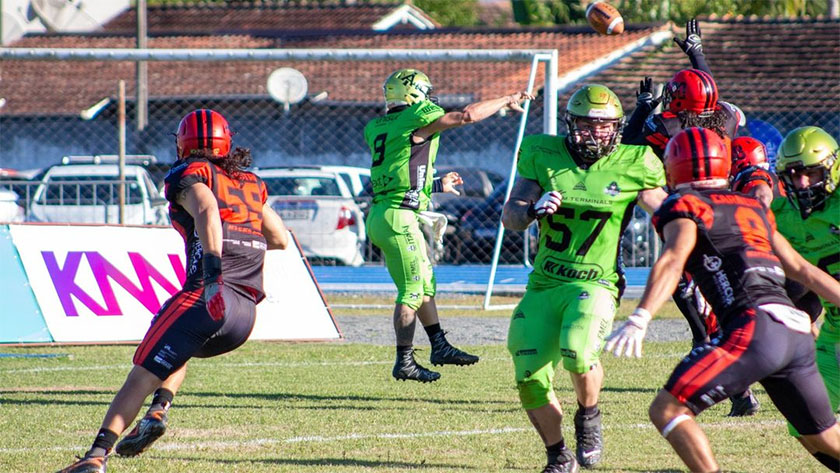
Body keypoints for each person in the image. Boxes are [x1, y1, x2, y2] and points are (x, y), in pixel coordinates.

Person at [56, 109, 290, 473]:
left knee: (142, 371)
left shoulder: (189, 174)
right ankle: (158, 409)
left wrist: (213, 272)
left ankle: (95, 456)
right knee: (180, 346)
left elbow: (208, 209)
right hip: (245, 314)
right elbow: (279, 238)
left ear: (182, 143)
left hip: (208, 294)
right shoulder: (249, 182)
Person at [605, 127, 840, 472]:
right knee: (822, 436)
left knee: (667, 410)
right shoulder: (754, 207)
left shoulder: (686, 205)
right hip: (795, 330)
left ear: (673, 169)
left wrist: (640, 316)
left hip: (755, 329)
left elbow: (673, 259)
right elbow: (802, 270)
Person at [501, 84, 667, 472]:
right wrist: (532, 210)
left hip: (596, 281)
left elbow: (668, 217)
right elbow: (511, 217)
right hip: (544, 282)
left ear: (617, 128)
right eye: (585, 125)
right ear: (569, 125)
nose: (593, 133)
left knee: (578, 351)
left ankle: (588, 416)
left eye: (603, 126)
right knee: (528, 377)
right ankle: (558, 454)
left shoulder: (636, 161)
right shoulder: (543, 154)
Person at [364, 68, 533, 383]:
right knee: (412, 290)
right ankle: (404, 362)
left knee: (426, 283)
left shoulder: (377, 126)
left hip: (386, 212)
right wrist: (507, 99)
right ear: (415, 94)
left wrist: (438, 185)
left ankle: (439, 345)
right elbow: (466, 115)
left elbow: (400, 168)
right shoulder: (416, 116)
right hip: (398, 217)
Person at [772, 126, 840, 471]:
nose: (802, 184)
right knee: (803, 421)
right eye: (794, 176)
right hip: (834, 336)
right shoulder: (785, 217)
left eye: (810, 173)